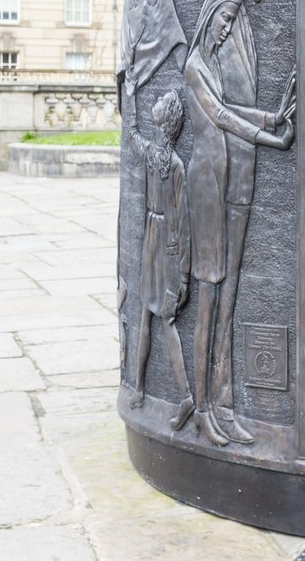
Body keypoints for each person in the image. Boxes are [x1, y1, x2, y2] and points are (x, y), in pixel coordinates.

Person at [183, 0, 294, 446]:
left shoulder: (239, 18)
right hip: (211, 184)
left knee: (228, 298)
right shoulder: (195, 63)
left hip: (238, 177)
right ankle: (203, 405)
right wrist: (270, 138)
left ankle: (224, 404)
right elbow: (221, 114)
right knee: (209, 296)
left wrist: (275, 115)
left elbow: (238, 105)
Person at [126, 90, 195, 432]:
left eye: (162, 99)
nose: (158, 98)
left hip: (166, 246)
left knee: (166, 321)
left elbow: (183, 221)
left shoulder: (177, 166)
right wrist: (129, 95)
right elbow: (132, 135)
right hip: (152, 241)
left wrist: (183, 275)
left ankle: (185, 397)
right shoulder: (153, 154)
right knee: (143, 315)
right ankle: (139, 386)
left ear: (166, 118)